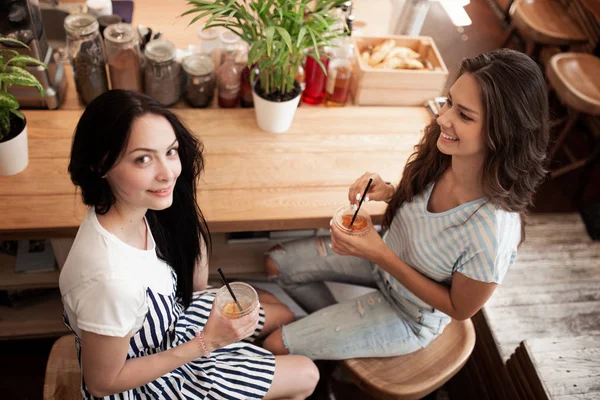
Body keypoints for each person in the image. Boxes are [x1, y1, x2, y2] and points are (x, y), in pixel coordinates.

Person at [262, 48, 550, 360]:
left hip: (410, 314)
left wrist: (380, 255)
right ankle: (342, 330)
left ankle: (346, 335)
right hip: (382, 261)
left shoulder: (492, 234)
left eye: (464, 115)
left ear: (504, 134)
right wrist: (388, 191)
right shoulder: (444, 152)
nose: (443, 118)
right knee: (276, 263)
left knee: (276, 346)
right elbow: (416, 200)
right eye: (449, 102)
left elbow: (459, 308)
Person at [59, 90, 318, 399]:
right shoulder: (111, 282)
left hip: (171, 328)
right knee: (306, 373)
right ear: (101, 164)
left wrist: (182, 209)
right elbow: (102, 383)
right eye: (143, 159)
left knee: (283, 314)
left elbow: (193, 282)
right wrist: (207, 343)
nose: (168, 173)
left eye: (170, 151)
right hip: (147, 383)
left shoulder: (134, 209)